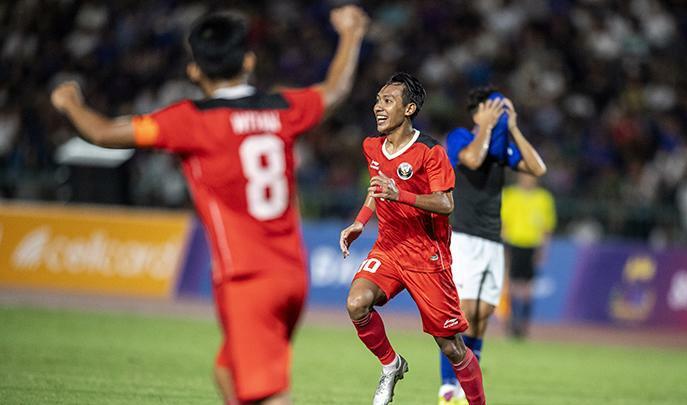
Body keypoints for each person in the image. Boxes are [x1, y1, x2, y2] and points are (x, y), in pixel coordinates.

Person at [50, 6, 369, 405]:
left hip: (247, 279)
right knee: (227, 373)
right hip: (291, 274)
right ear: (249, 61)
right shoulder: (281, 108)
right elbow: (335, 90)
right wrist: (351, 33)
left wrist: (69, 102)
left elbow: (101, 132)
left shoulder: (189, 121)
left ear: (194, 70)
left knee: (269, 396)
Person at [339, 72, 487, 405]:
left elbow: (446, 203)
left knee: (451, 346)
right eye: (377, 99)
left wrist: (400, 194)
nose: (378, 106)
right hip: (389, 246)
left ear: (409, 109)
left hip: (427, 255)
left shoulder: (430, 152)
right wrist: (360, 222)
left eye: (387, 100)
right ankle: (391, 365)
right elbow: (377, 189)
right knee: (356, 303)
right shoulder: (371, 146)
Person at [438, 87, 547, 404]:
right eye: (493, 110)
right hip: (465, 236)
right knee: (463, 314)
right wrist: (484, 125)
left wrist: (513, 127)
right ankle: (447, 388)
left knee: (483, 316)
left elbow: (538, 169)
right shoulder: (459, 137)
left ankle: (468, 390)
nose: (498, 115)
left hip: (493, 241)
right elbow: (471, 159)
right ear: (477, 112)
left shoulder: (502, 150)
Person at [501, 172, 556, 339]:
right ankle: (512, 322)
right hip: (513, 243)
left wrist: (544, 250)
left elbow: (547, 227)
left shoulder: (544, 198)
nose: (528, 180)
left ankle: (523, 324)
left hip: (533, 244)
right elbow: (502, 222)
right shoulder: (509, 195)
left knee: (527, 287)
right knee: (512, 284)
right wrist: (504, 248)